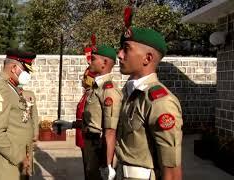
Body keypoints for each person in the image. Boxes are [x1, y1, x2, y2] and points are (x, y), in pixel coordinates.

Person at [115, 27, 183, 180]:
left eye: (126, 49)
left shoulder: (160, 101)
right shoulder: (129, 92)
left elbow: (171, 170)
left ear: (147, 58)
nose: (119, 54)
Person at [55, 45, 122, 180]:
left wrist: (108, 164)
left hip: (100, 150)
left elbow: (110, 131)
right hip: (90, 147)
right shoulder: (95, 89)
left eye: (93, 59)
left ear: (105, 63)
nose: (89, 62)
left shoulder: (108, 91)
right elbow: (93, 122)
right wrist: (71, 125)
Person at [0, 48, 36, 180]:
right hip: (7, 167)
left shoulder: (11, 87)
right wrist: (19, 158)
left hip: (16, 165)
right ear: (14, 68)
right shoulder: (1, 88)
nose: (28, 74)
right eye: (26, 70)